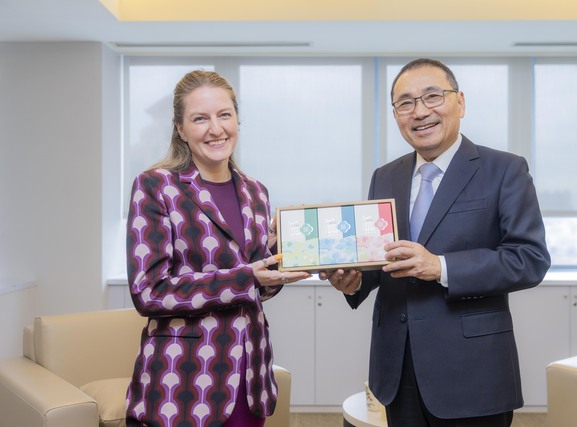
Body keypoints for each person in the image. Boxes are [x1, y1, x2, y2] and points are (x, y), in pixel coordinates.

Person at [321, 58, 551, 426]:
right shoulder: (385, 176)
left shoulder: (505, 169)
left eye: (432, 96)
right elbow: (381, 259)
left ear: (460, 102)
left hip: (473, 370)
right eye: (405, 103)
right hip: (397, 367)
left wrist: (440, 266)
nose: (419, 112)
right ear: (396, 115)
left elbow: (529, 258)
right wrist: (355, 281)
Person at [124, 70, 309, 427]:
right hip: (183, 380)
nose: (216, 129)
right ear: (180, 129)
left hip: (249, 376)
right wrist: (246, 276)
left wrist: (277, 260)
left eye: (224, 115)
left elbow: (256, 288)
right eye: (200, 118)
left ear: (237, 119)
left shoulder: (256, 192)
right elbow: (148, 292)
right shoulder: (155, 186)